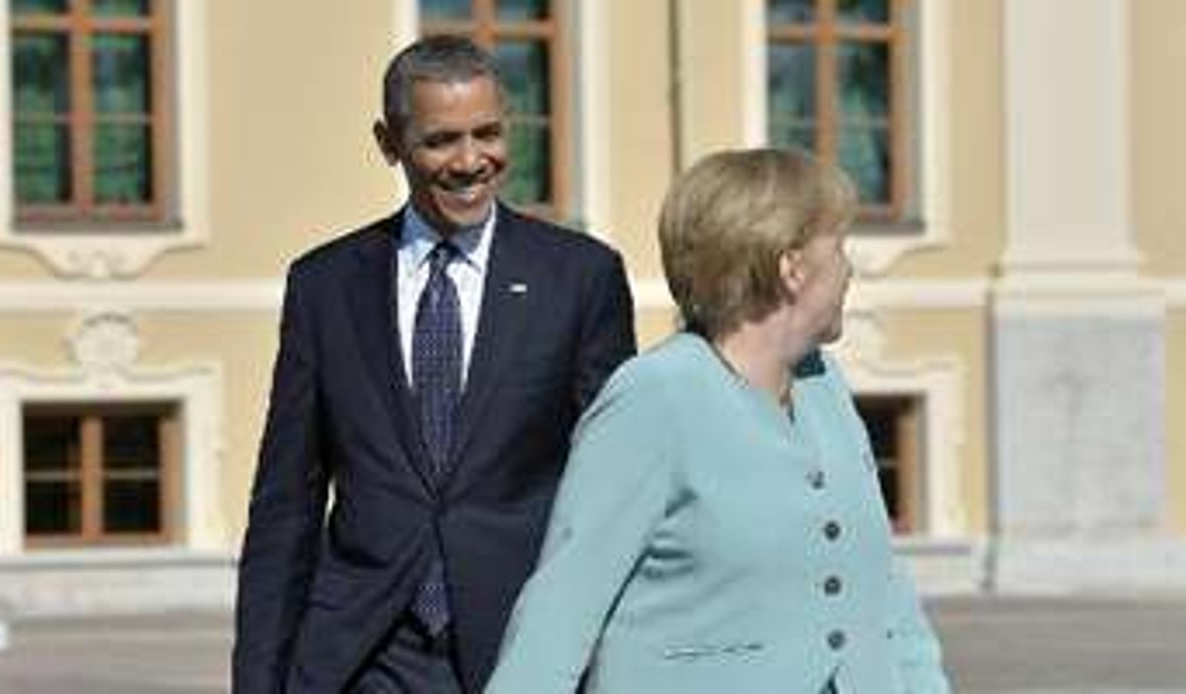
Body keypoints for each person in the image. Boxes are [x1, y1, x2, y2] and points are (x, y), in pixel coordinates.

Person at [232, 35, 637, 694]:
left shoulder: (579, 278)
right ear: (388, 143)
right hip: (362, 655)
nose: (471, 161)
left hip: (524, 652)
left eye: (488, 133)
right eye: (441, 140)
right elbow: (286, 504)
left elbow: (617, 493)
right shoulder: (324, 286)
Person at [484, 148, 952, 693]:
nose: (849, 269)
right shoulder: (652, 398)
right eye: (839, 247)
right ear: (791, 267)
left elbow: (883, 590)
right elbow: (562, 609)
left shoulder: (824, 385)